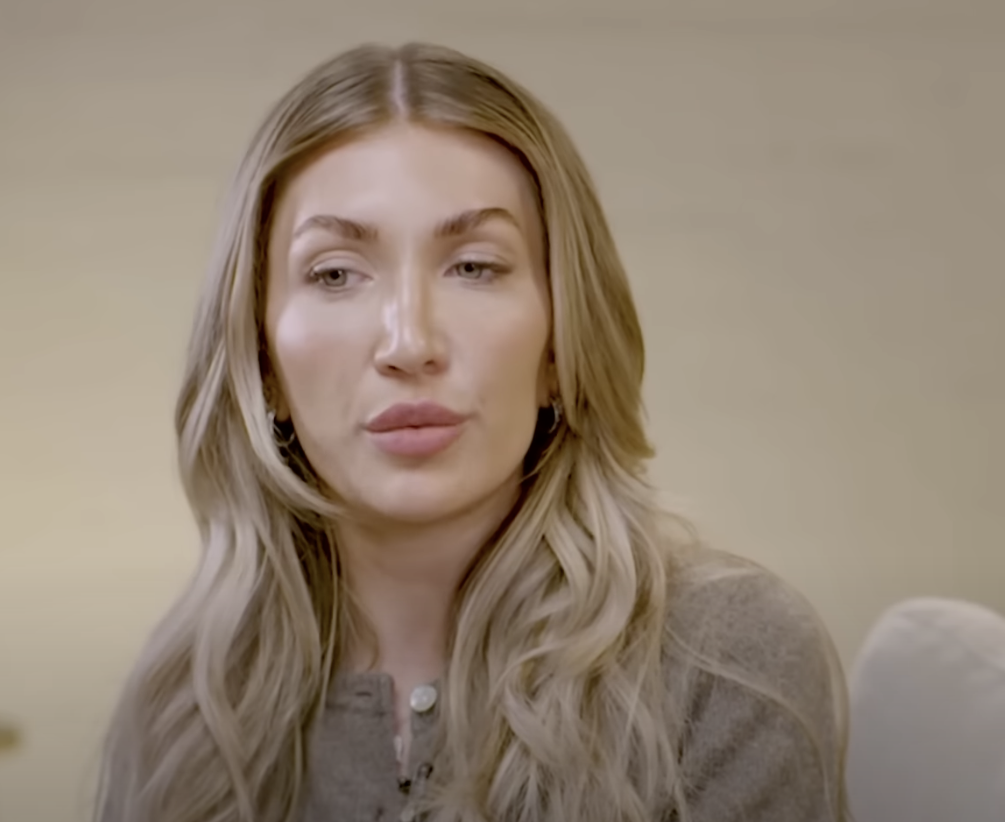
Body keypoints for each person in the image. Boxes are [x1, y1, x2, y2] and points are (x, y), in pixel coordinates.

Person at [95, 42, 849, 822]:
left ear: (559, 344)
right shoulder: (180, 711)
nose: (409, 342)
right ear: (263, 363)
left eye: (475, 267)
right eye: (334, 273)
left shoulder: (724, 662)